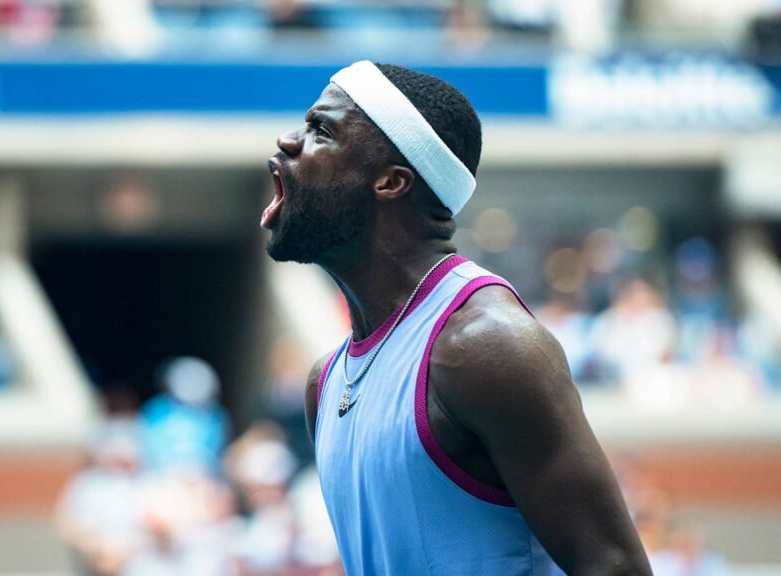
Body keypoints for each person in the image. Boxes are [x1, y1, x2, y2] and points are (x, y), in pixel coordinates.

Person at [262, 61, 651, 574]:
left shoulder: (485, 346)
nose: (289, 141)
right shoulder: (325, 382)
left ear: (390, 182)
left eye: (321, 130)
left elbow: (614, 566)